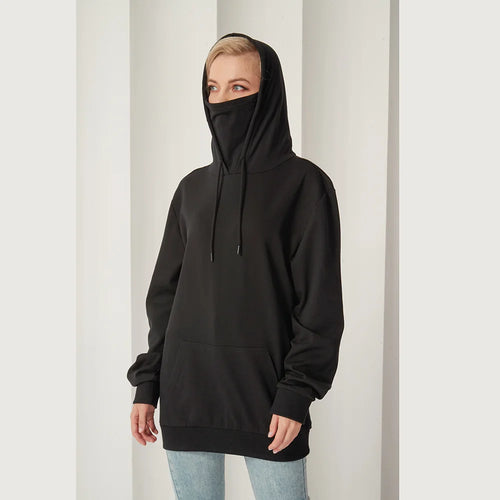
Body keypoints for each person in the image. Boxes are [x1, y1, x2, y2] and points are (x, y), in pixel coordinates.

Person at [127, 32, 344, 500]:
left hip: (269, 397)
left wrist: (298, 392)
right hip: (187, 391)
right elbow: (164, 298)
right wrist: (148, 383)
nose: (223, 100)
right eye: (214, 88)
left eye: (239, 87)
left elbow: (319, 305)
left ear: (268, 94)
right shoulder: (192, 190)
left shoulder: (305, 186)